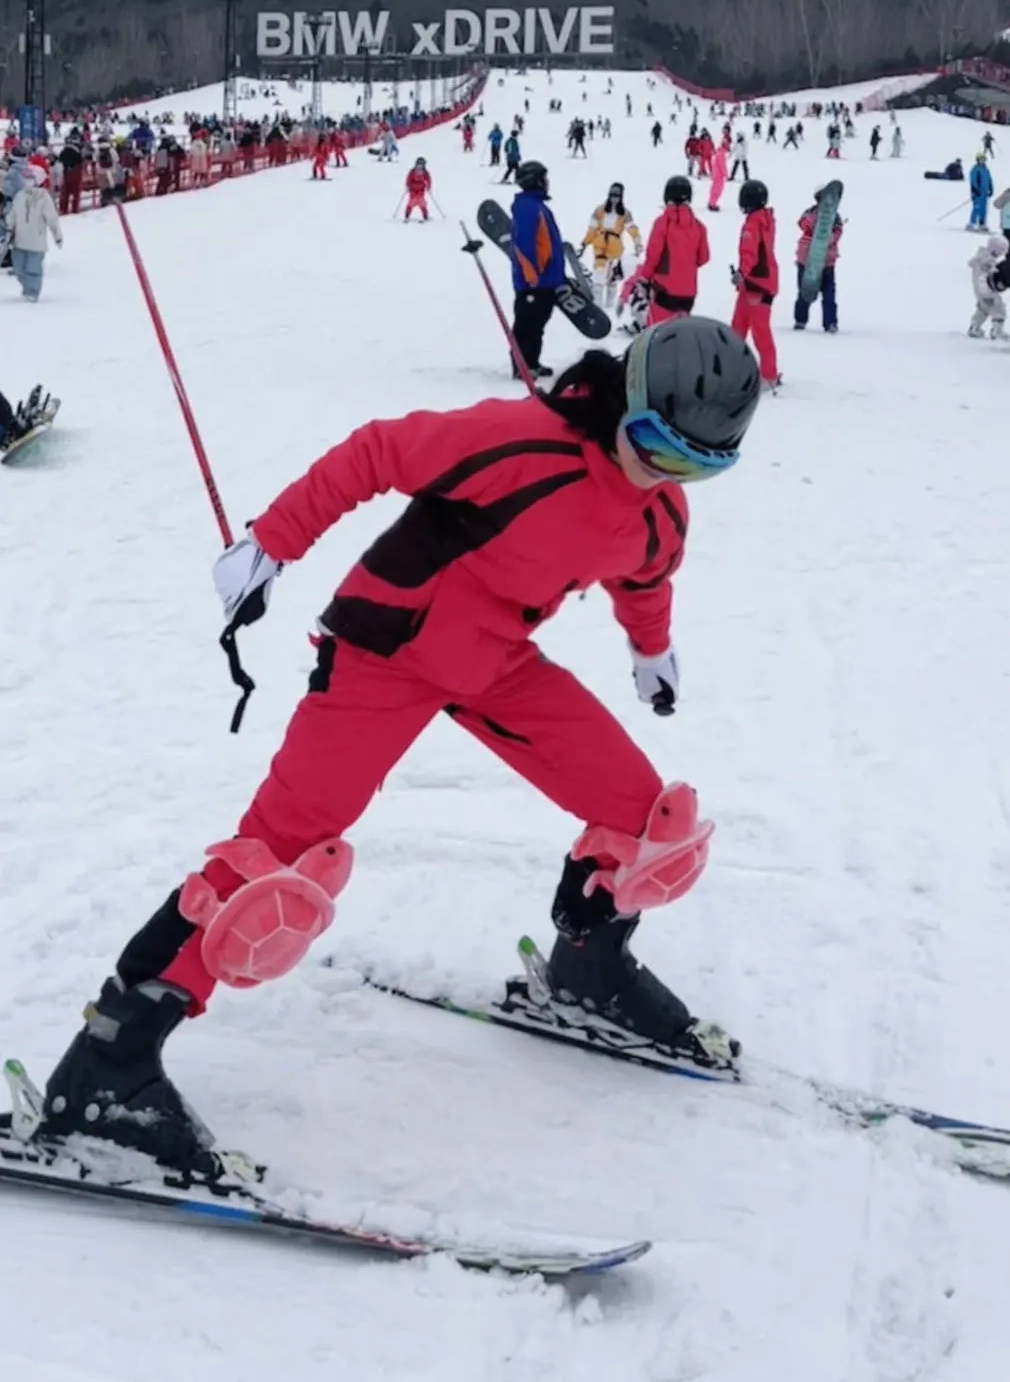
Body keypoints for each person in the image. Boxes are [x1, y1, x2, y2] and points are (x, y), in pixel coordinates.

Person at [36, 319, 761, 1177]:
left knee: (648, 824)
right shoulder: (519, 443)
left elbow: (645, 579)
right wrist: (271, 543)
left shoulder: (659, 514)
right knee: (275, 864)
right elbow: (376, 451)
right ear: (624, 398)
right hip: (387, 647)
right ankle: (106, 1065)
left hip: (495, 660)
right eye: (653, 446)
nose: (662, 473)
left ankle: (587, 970)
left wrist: (651, 652)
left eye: (694, 466)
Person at [509, 159, 564, 379]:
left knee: (537, 324)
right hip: (535, 282)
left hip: (544, 280)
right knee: (527, 325)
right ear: (536, 181)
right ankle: (523, 365)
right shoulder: (528, 207)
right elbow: (525, 245)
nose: (547, 182)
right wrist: (532, 277)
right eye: (544, 178)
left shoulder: (535, 205)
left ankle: (531, 361)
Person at [640, 175, 710, 325]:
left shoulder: (662, 223)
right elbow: (703, 258)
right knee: (680, 332)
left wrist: (644, 277)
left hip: (664, 289)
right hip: (688, 292)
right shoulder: (699, 226)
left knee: (658, 331)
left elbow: (653, 255)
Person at [731, 180, 779, 392]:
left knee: (760, 331)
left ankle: (769, 374)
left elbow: (750, 252)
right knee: (737, 328)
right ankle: (731, 370)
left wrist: (741, 273)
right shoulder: (765, 220)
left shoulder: (753, 223)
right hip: (754, 283)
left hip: (758, 284)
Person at [581, 183, 642, 310]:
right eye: (613, 195)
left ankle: (609, 308)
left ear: (621, 197)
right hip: (600, 246)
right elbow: (592, 229)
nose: (615, 198)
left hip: (615, 249)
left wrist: (637, 242)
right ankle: (597, 307)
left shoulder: (625, 213)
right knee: (599, 276)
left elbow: (632, 229)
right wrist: (584, 243)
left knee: (612, 279)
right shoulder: (599, 211)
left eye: (617, 196)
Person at [8, 164, 63, 301]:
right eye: (25, 178)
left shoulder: (44, 198)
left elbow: (52, 218)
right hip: (19, 241)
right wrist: (9, 228)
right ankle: (27, 287)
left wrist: (57, 235)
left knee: (33, 269)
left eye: (30, 178)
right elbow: (13, 214)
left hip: (36, 242)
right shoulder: (20, 195)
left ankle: (32, 292)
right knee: (19, 268)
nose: (27, 181)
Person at [793, 189, 843, 333]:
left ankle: (830, 322)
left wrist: (829, 237)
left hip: (827, 262)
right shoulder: (810, 213)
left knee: (829, 294)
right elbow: (802, 223)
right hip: (806, 260)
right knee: (805, 291)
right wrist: (814, 224)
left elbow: (838, 232)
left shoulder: (835, 217)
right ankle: (800, 319)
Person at [967, 234, 1008, 339]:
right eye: (1000, 253)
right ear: (994, 250)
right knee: (998, 309)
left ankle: (974, 327)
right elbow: (989, 274)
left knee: (983, 308)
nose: (1000, 255)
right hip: (987, 291)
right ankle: (997, 331)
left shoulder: (979, 258)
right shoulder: (987, 261)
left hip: (979, 291)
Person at [968, 153, 994, 232]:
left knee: (984, 209)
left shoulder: (986, 170)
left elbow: (989, 180)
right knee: (977, 208)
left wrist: (991, 188)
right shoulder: (975, 169)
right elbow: (973, 181)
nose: (982, 161)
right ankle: (972, 223)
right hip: (977, 193)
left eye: (983, 160)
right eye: (981, 160)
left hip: (984, 193)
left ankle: (982, 224)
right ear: (977, 160)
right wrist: (975, 190)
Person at [403, 157, 431, 222]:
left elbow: (428, 179)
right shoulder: (412, 171)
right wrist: (407, 185)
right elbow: (408, 178)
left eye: (421, 165)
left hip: (421, 190)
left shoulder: (425, 172)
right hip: (413, 190)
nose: (419, 167)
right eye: (418, 165)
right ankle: (407, 215)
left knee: (422, 203)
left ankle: (425, 216)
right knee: (411, 202)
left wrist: (428, 187)